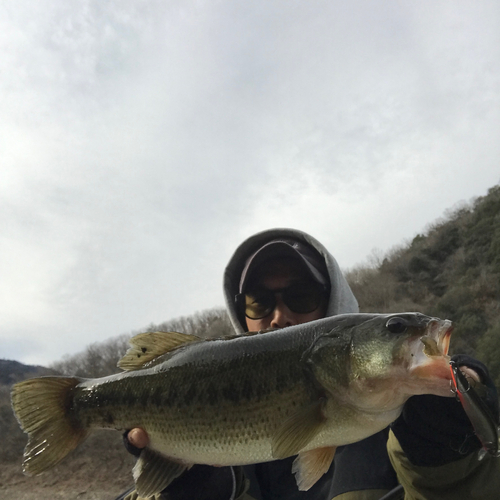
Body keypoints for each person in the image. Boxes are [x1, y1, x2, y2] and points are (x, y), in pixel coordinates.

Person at [117, 228, 500, 500]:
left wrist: (452, 461)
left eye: (301, 296)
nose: (279, 315)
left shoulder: (405, 418)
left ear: (334, 302)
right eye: (258, 303)